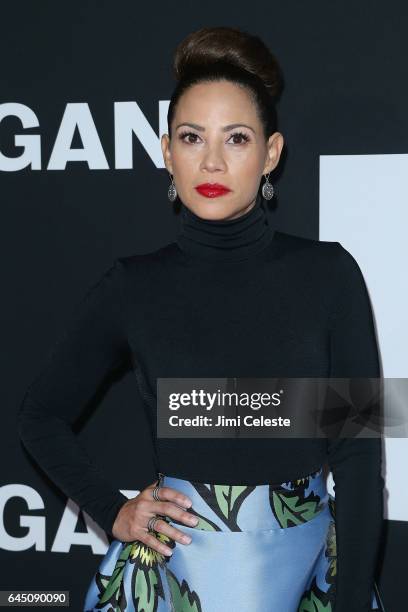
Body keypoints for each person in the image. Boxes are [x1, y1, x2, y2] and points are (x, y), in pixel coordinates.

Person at [18, 26, 385, 612]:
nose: (211, 159)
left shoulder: (329, 274)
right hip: (171, 580)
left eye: (236, 138)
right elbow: (39, 415)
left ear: (271, 153)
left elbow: (360, 459)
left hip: (307, 579)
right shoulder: (133, 286)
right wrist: (112, 510)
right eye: (192, 137)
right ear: (167, 151)